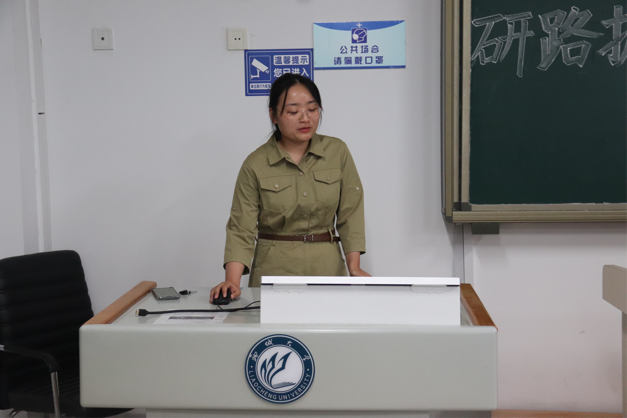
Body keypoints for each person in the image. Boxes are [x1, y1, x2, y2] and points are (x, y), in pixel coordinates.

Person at [211, 73, 370, 302]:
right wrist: (232, 282)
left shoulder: (337, 152)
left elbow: (350, 214)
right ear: (273, 115)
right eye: (293, 112)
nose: (305, 118)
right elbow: (241, 228)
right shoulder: (255, 163)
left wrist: (354, 266)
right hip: (273, 269)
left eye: (312, 109)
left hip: (326, 267)